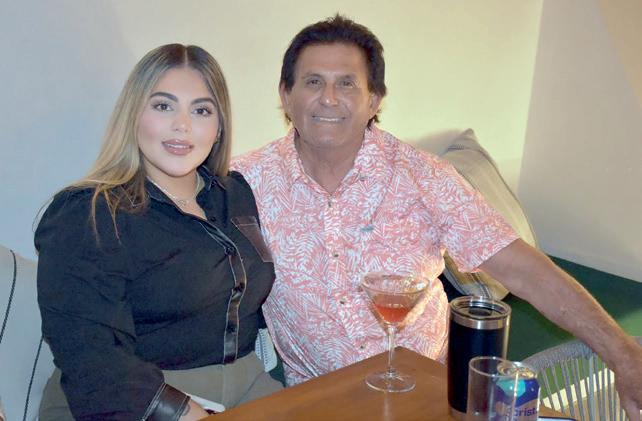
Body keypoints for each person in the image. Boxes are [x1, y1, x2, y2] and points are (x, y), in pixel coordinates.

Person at [232, 15, 642, 420]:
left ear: (374, 100)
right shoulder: (243, 183)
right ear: (286, 95)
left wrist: (624, 356)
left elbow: (523, 270)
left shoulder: (424, 177)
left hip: (426, 394)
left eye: (347, 83)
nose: (329, 98)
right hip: (317, 402)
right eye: (313, 82)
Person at [35, 44, 281, 421]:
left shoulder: (235, 193)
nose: (182, 125)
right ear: (133, 116)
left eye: (201, 110)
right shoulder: (87, 213)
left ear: (219, 128)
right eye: (163, 106)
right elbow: (92, 355)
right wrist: (184, 412)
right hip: (128, 402)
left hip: (246, 385)